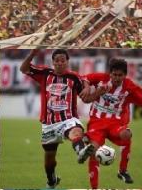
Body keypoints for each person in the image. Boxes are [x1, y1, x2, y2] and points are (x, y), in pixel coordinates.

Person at [79, 58, 142, 188]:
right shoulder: (101, 78)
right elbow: (84, 78)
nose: (116, 78)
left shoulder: (130, 86)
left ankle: (122, 171)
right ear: (110, 73)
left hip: (115, 123)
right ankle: (94, 187)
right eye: (114, 74)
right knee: (94, 151)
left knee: (127, 134)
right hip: (96, 122)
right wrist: (87, 87)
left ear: (125, 75)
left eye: (120, 75)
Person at [20, 49, 90, 188]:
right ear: (52, 62)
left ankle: (81, 151)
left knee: (75, 130)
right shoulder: (45, 73)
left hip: (68, 119)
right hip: (49, 124)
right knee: (49, 160)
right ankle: (52, 180)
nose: (59, 63)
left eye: (62, 60)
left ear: (67, 62)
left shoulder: (74, 77)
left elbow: (86, 88)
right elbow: (23, 69)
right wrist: (33, 53)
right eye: (57, 60)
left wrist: (87, 87)